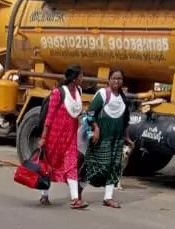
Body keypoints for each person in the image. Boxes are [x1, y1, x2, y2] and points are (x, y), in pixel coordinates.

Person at [37, 65, 86, 209]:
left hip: (70, 137)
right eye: (81, 76)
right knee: (50, 164)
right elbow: (49, 117)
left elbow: (76, 113)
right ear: (75, 78)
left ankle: (75, 199)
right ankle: (44, 195)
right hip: (55, 136)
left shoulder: (78, 92)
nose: (83, 79)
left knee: (72, 165)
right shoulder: (58, 93)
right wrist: (43, 138)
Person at [80, 69, 131, 209]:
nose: (116, 81)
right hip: (102, 138)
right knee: (97, 166)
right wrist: (96, 128)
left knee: (114, 167)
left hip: (117, 139)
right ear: (109, 80)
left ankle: (108, 197)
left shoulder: (123, 98)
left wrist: (126, 136)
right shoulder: (102, 94)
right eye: (114, 78)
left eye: (119, 78)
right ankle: (79, 187)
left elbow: (126, 119)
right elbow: (90, 112)